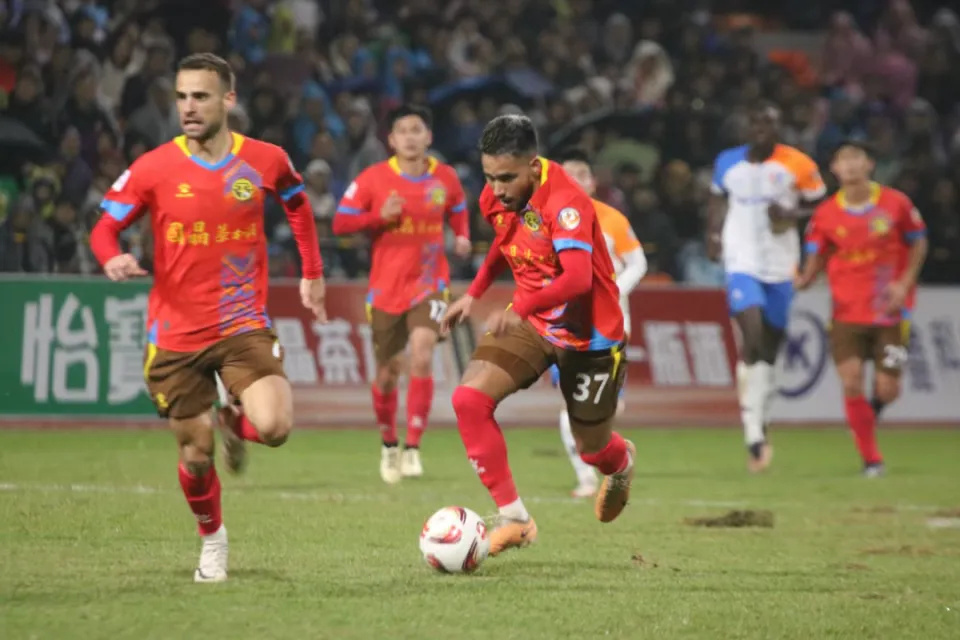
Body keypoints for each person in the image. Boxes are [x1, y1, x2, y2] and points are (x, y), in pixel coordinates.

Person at [89, 53, 327, 583]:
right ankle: (213, 540)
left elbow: (297, 203)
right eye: (182, 97)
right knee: (196, 456)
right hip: (176, 333)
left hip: (241, 321)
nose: (189, 107)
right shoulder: (153, 167)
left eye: (200, 96)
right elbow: (104, 227)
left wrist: (312, 272)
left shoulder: (264, 159)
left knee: (276, 426)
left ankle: (235, 420)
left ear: (228, 99)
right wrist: (111, 257)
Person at [441, 115, 635, 557]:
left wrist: (523, 306)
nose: (497, 189)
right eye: (490, 176)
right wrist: (473, 293)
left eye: (507, 178)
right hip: (533, 322)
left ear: (533, 165)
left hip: (590, 336)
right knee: (469, 400)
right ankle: (515, 519)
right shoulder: (497, 195)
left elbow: (578, 280)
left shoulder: (566, 203)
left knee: (592, 450)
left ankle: (622, 463)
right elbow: (504, 240)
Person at [332, 104, 471, 484]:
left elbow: (458, 207)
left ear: (428, 137)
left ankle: (413, 447)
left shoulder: (445, 177)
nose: (410, 137)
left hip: (431, 284)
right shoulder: (373, 179)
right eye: (403, 131)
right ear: (391, 140)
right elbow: (340, 222)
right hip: (386, 289)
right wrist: (379, 217)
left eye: (416, 130)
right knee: (387, 373)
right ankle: (389, 443)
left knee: (423, 354)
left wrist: (462, 235)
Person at [796, 140, 927, 477]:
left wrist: (904, 283)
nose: (851, 165)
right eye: (844, 160)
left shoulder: (896, 204)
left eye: (857, 158)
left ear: (870, 164)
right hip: (845, 313)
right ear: (834, 169)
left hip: (890, 312)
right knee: (851, 380)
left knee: (888, 388)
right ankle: (872, 459)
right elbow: (814, 261)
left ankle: (871, 412)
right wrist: (802, 280)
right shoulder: (825, 215)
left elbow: (919, 242)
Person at [707, 103, 826, 472]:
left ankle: (761, 419)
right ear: (747, 127)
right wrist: (713, 234)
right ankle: (752, 432)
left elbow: (823, 208)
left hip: (781, 264)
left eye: (768, 124)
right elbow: (716, 198)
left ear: (778, 128)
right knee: (753, 334)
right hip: (741, 262)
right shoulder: (728, 162)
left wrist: (792, 214)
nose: (761, 129)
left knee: (771, 348)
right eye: (756, 122)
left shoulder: (798, 164)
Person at [549, 148, 647, 498]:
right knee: (571, 402)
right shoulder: (545, 220)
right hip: (566, 324)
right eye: (567, 174)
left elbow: (638, 263)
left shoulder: (612, 219)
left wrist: (613, 292)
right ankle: (586, 478)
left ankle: (609, 455)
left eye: (581, 174)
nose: (574, 180)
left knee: (601, 406)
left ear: (592, 182)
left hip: (609, 325)